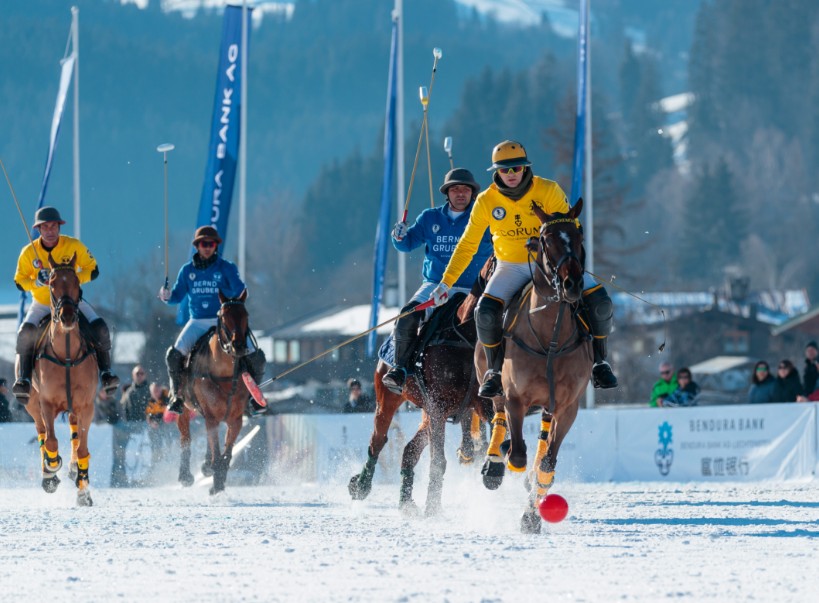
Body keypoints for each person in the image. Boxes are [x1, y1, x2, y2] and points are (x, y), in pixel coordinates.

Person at [429, 141, 618, 398]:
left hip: (550, 267)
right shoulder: (486, 200)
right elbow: (467, 245)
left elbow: (570, 229)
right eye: (505, 170)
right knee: (485, 312)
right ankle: (494, 371)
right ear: (496, 171)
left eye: (516, 167)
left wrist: (546, 246)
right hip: (511, 266)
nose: (511, 174)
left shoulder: (548, 190)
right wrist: (445, 283)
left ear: (525, 167)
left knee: (600, 302)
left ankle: (600, 362)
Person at [381, 168, 493, 394]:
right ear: (447, 193)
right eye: (455, 189)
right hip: (435, 286)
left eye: (465, 189)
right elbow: (406, 244)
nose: (460, 193)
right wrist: (399, 235)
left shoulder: (483, 218)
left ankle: (506, 376)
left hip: (475, 289)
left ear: (473, 193)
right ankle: (401, 369)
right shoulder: (430, 217)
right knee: (407, 316)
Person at [12, 206, 119, 398]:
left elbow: (93, 270)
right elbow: (19, 281)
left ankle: (106, 373)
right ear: (39, 229)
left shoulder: (73, 245)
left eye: (54, 226)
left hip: (71, 302)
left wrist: (73, 277)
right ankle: (24, 379)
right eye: (46, 227)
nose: (50, 231)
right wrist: (36, 281)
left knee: (100, 327)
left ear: (59, 227)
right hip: (43, 303)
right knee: (25, 333)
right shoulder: (29, 251)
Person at [158, 226, 266, 415]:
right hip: (198, 321)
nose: (207, 247)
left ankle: (253, 398)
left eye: (211, 243)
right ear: (197, 246)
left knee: (256, 356)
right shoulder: (187, 271)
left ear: (216, 246)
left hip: (224, 322)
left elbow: (240, 290)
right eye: (203, 243)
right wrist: (166, 296)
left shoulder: (226, 268)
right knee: (173, 356)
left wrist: (233, 292)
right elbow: (176, 297)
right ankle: (177, 395)